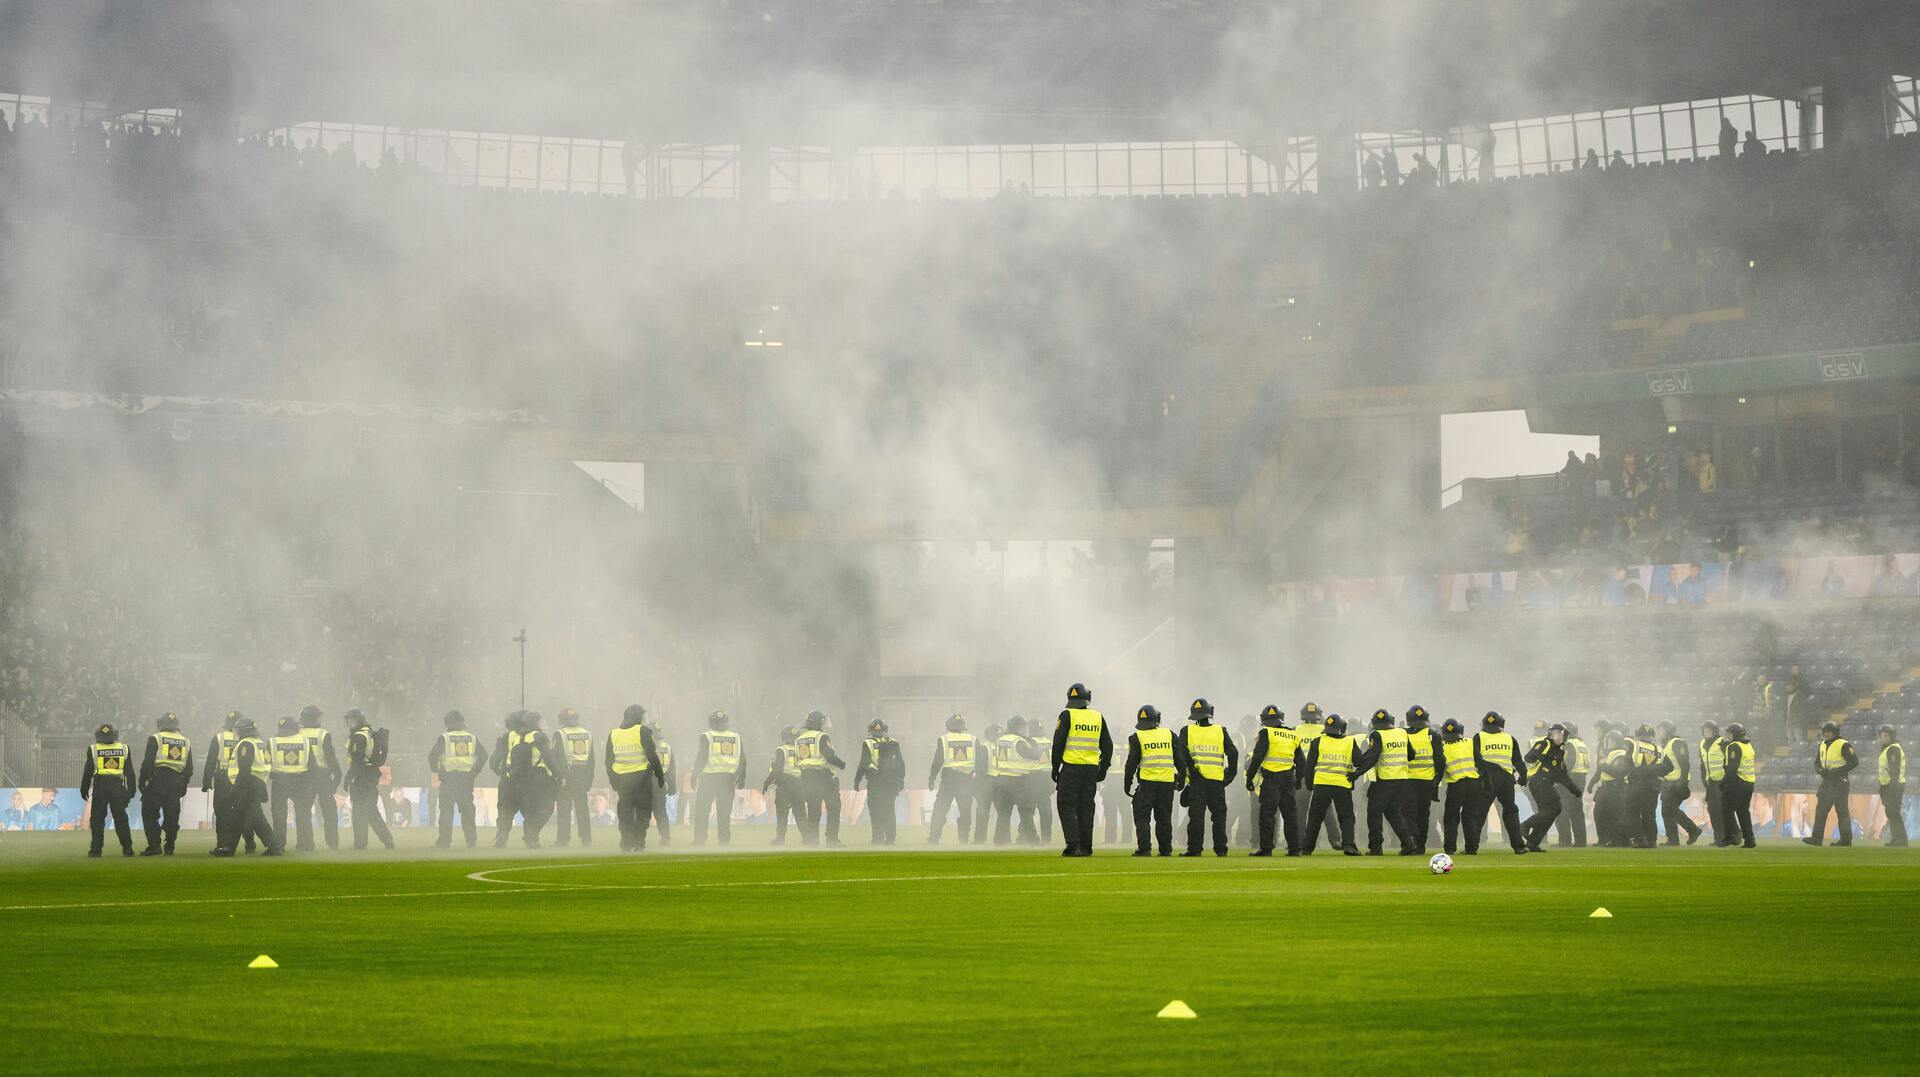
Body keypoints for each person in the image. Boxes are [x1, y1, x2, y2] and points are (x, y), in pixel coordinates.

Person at [1051, 683, 1112, 856]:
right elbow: (1108, 746)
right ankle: (1086, 847)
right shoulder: (1098, 717)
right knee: (1086, 807)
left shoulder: (1067, 714)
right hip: (1091, 770)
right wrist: (1103, 768)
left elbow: (1058, 744)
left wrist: (1055, 768)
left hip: (1071, 768)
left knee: (1066, 805)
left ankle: (1073, 845)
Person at [1177, 699, 1238, 857]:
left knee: (1196, 817)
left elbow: (1181, 755)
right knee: (1219, 817)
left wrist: (1189, 772)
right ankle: (1221, 850)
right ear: (1210, 712)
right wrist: (1229, 775)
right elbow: (1233, 753)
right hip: (1217, 782)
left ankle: (1194, 849)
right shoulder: (1220, 730)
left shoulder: (1187, 731)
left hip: (1197, 782)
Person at [1301, 714, 1368, 856]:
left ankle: (1307, 848)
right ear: (1342, 728)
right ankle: (1349, 846)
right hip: (1342, 785)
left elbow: (1309, 766)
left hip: (1321, 784)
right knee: (1347, 817)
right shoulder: (1350, 742)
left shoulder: (1317, 741)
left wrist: (1309, 784)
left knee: (1315, 817)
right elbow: (1359, 762)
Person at [1123, 705, 1183, 856]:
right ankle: (1165, 850)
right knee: (1164, 818)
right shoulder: (1169, 734)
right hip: (1167, 784)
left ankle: (1144, 849)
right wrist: (1182, 778)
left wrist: (1127, 783)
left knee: (1142, 817)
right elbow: (1180, 760)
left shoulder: (1137, 737)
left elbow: (1131, 764)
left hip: (1147, 784)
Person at [606, 704, 666, 852]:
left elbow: (608, 761)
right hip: (642, 779)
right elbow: (652, 755)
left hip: (622, 780)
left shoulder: (613, 734)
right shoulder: (643, 731)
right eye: (643, 716)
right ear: (637, 717)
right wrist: (660, 776)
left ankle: (626, 843)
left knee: (625, 812)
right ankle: (639, 843)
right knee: (643, 812)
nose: (645, 719)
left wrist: (613, 781)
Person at [216, 718, 281, 857]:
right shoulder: (259, 744)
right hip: (256, 783)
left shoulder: (245, 744)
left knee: (256, 818)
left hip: (246, 784)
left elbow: (244, 769)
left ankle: (274, 846)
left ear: (244, 731)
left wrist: (235, 789)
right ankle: (228, 848)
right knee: (238, 817)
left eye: (238, 730)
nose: (236, 733)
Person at [1245, 704, 1303, 856]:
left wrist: (1249, 778)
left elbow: (1257, 757)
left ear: (1264, 719)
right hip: (1289, 778)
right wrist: (1298, 780)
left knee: (1267, 814)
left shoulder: (1266, 733)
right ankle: (1294, 849)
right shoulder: (1293, 735)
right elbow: (1302, 762)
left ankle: (1266, 848)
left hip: (1271, 779)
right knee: (1290, 815)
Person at [1519, 724, 1583, 853]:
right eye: (1558, 733)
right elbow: (1528, 757)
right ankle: (1525, 825)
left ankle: (1532, 842)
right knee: (1555, 808)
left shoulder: (1560, 752)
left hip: (1545, 784)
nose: (1560, 736)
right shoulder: (1544, 744)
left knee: (1549, 812)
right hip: (1538, 782)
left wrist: (1574, 789)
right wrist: (1541, 756)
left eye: (1563, 734)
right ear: (1551, 733)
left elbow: (1562, 775)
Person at [1362, 709, 1418, 855]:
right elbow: (1411, 755)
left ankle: (1375, 847)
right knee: (1393, 813)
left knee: (1374, 812)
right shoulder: (1402, 733)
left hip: (1385, 780)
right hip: (1402, 780)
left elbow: (1373, 757)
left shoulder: (1377, 734)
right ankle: (1409, 843)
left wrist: (1357, 772)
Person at [428, 710, 487, 849]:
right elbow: (483, 755)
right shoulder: (472, 738)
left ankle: (444, 841)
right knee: (467, 811)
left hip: (449, 779)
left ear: (447, 723)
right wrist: (474, 771)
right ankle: (471, 841)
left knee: (446, 811)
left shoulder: (445, 738)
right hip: (466, 779)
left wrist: (437, 770)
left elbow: (432, 756)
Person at [137, 711, 193, 856]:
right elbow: (189, 767)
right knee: (172, 815)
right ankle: (170, 846)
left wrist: (143, 781)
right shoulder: (186, 741)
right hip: (176, 781)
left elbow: (148, 762)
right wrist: (184, 784)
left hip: (158, 780)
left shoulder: (156, 738)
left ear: (161, 724)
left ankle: (155, 845)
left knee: (149, 812)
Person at [1472, 712, 1529, 854]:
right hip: (1506, 778)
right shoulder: (1510, 738)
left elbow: (1475, 758)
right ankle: (1519, 846)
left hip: (1487, 778)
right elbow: (1518, 760)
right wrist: (1523, 776)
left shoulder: (1479, 737)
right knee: (1510, 811)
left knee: (1479, 812)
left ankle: (1472, 847)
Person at [80, 722, 136, 858]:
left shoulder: (93, 749)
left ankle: (96, 850)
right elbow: (130, 772)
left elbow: (88, 771)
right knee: (121, 819)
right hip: (118, 787)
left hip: (101, 787)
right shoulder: (124, 748)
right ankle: (127, 848)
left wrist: (84, 788)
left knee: (97, 820)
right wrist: (131, 791)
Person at [691, 709, 746, 846]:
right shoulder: (736, 737)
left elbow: (702, 757)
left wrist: (694, 774)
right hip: (728, 779)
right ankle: (724, 840)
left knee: (702, 810)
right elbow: (742, 759)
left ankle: (699, 839)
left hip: (709, 778)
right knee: (724, 811)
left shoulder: (707, 736)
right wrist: (742, 777)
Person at [199, 710, 251, 855]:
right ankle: (250, 844)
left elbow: (211, 760)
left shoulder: (219, 737)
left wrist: (206, 781)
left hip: (222, 778)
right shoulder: (246, 739)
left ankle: (221, 844)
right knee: (243, 812)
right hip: (240, 778)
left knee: (221, 812)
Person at [344, 710, 395, 851]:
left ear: (359, 720)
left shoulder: (359, 736)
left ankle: (360, 844)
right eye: (348, 720)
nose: (350, 723)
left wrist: (349, 776)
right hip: (370, 775)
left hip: (361, 776)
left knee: (359, 812)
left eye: (353, 720)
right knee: (371, 811)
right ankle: (388, 840)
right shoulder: (369, 732)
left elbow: (357, 759)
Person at [794, 711, 846, 846]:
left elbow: (797, 760)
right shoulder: (822, 736)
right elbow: (828, 756)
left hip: (806, 776)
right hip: (824, 776)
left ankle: (812, 840)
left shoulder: (799, 739)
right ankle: (832, 839)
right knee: (833, 807)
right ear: (819, 722)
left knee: (813, 809)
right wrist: (841, 764)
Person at [1294, 703, 1342, 850]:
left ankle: (1299, 841)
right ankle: (1335, 840)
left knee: (1300, 809)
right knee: (1326, 808)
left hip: (1301, 775)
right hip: (1319, 774)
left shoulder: (1295, 730)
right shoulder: (1324, 730)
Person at [926, 714, 977, 845]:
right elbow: (981, 761)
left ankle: (934, 838)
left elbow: (938, 760)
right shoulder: (973, 739)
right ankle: (964, 840)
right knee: (965, 811)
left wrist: (932, 777)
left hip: (949, 779)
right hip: (967, 779)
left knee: (940, 810)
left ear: (948, 726)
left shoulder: (944, 739)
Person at [1805, 721, 1858, 847]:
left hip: (1840, 782)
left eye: (1829, 732)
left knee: (1842, 812)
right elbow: (1817, 762)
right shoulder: (1822, 744)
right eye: (1825, 732)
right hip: (1827, 782)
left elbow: (1854, 761)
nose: (1826, 734)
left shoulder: (1843, 744)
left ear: (1835, 732)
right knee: (1821, 811)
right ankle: (1816, 838)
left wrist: (1837, 771)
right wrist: (1819, 770)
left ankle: (1846, 840)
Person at [511, 713, 560, 847]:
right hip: (539, 777)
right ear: (535, 722)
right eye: (541, 720)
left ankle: (532, 840)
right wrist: (558, 774)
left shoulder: (519, 737)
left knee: (531, 810)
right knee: (547, 807)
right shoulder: (539, 736)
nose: (544, 722)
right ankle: (531, 834)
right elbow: (549, 758)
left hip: (523, 779)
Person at [855, 718, 906, 845]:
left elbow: (864, 762)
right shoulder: (894, 742)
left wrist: (857, 780)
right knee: (889, 809)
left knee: (875, 810)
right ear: (885, 729)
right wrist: (901, 779)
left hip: (875, 781)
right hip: (891, 782)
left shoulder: (868, 742)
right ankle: (890, 838)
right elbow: (901, 763)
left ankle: (877, 838)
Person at [269, 716, 316, 853]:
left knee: (279, 816)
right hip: (301, 781)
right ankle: (306, 844)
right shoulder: (304, 741)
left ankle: (279, 845)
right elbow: (312, 765)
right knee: (303, 815)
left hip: (279, 782)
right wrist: (312, 785)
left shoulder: (272, 741)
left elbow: (266, 763)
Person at [992, 717, 1042, 845]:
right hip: (1019, 780)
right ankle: (1033, 841)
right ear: (1014, 727)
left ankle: (999, 841)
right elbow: (1035, 755)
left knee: (1003, 813)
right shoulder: (1018, 741)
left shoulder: (1001, 740)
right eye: (1022, 727)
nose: (1024, 729)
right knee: (1026, 812)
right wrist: (1031, 741)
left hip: (1003, 779)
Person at [299, 705, 343, 851]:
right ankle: (333, 843)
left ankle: (306, 843)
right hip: (323, 776)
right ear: (313, 718)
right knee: (329, 811)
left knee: (304, 811)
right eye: (318, 716)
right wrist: (337, 775)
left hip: (305, 776)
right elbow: (330, 756)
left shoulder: (298, 734)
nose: (320, 719)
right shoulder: (323, 734)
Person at [1439, 718, 1483, 855]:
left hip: (1456, 786)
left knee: (1451, 818)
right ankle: (1472, 848)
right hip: (1474, 784)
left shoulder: (1443, 747)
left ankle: (1450, 848)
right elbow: (1481, 762)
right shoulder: (1470, 742)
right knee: (1470, 817)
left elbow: (1440, 769)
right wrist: (1486, 782)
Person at [553, 708, 595, 848]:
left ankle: (563, 839)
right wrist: (589, 779)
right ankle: (586, 839)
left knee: (564, 809)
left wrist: (562, 777)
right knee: (582, 809)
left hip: (567, 773)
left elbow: (558, 758)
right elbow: (591, 759)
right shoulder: (587, 734)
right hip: (582, 774)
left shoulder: (560, 734)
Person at [1403, 706, 1442, 854]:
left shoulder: (1403, 735)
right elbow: (1440, 761)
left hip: (1408, 780)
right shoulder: (1433, 735)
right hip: (1427, 781)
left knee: (1408, 814)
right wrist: (1436, 782)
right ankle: (1420, 846)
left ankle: (1411, 844)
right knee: (1423, 815)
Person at [1656, 721, 1701, 845]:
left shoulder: (1677, 743)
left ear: (1669, 731)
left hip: (1677, 782)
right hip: (1668, 782)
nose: (1659, 733)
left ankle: (1690, 831)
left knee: (1670, 810)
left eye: (1661, 730)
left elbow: (1684, 763)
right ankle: (1676, 838)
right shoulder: (1665, 745)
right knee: (1667, 811)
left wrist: (1683, 781)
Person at [1589, 731, 1633, 847]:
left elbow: (1618, 773)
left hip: (1616, 787)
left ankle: (1616, 840)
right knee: (1599, 813)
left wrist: (1603, 765)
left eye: (1611, 741)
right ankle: (1604, 839)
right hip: (1606, 788)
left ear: (1617, 742)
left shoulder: (1621, 754)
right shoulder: (1610, 754)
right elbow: (1601, 771)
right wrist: (1592, 782)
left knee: (1614, 815)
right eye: (1608, 741)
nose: (1608, 743)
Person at [1624, 724, 1664, 848]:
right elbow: (1669, 767)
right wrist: (1653, 770)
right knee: (1649, 814)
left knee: (1633, 813)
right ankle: (1651, 840)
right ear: (1652, 735)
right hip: (1652, 787)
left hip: (1636, 785)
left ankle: (1639, 840)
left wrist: (1638, 771)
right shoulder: (1660, 750)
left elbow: (1626, 764)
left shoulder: (1633, 745)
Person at [763, 724, 803, 845]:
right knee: (800, 813)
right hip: (800, 785)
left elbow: (776, 768)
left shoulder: (782, 750)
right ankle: (808, 838)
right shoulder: (802, 749)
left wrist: (767, 782)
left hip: (785, 784)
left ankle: (780, 839)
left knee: (782, 814)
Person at [1720, 723, 1758, 848]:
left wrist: (1724, 782)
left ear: (1735, 734)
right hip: (1749, 783)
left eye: (1730, 733)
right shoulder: (1748, 745)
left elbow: (1732, 767)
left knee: (1727, 808)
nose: (1727, 736)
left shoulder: (1734, 746)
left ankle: (1731, 836)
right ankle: (1749, 839)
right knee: (1743, 812)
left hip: (1738, 783)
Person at [1554, 721, 1591, 848]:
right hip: (1581, 780)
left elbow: (1567, 764)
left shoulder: (1569, 744)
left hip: (1570, 780)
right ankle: (1581, 841)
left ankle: (1565, 841)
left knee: (1562, 811)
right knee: (1577, 812)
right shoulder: (1582, 744)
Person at [1697, 722, 1731, 846]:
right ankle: (1718, 838)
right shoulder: (1701, 744)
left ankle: (1726, 837)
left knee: (1720, 810)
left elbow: (1729, 761)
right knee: (1712, 810)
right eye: (1705, 730)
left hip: (1721, 782)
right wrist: (1703, 779)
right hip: (1710, 783)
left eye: (1709, 730)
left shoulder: (1722, 742)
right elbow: (1702, 764)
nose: (1706, 732)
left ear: (1715, 731)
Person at [1878, 726, 1908, 848]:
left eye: (1885, 735)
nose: (1882, 738)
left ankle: (1901, 840)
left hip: (1894, 785)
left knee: (1893, 813)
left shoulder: (1893, 749)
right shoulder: (1887, 748)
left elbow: (1894, 769)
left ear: (1891, 736)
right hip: (1889, 785)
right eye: (1882, 735)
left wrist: (1891, 786)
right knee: (1891, 813)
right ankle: (1897, 839)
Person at [647, 722, 676, 845]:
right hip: (661, 782)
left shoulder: (645, 746)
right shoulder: (667, 747)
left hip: (646, 782)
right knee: (661, 812)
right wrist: (672, 786)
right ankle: (665, 838)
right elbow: (671, 768)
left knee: (641, 811)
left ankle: (637, 839)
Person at [973, 722, 1001, 845]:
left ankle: (980, 839)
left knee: (984, 812)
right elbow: (979, 768)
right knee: (995, 812)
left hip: (991, 782)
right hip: (992, 781)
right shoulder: (986, 747)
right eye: (996, 734)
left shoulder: (986, 747)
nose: (997, 737)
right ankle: (1000, 839)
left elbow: (979, 768)